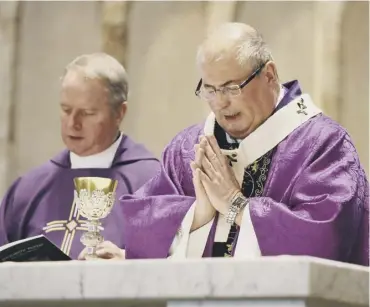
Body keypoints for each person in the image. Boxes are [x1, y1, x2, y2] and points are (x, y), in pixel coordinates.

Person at [119, 23, 369, 266]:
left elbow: (325, 237)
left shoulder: (322, 144)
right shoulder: (188, 148)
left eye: (231, 88)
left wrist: (235, 205)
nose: (220, 103)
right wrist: (196, 215)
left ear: (269, 75)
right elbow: (139, 227)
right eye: (210, 90)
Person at [0, 53, 160, 260]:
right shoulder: (28, 190)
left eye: (87, 113)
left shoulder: (153, 184)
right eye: (66, 110)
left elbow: (174, 264)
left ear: (120, 113)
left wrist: (127, 260)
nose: (73, 123)